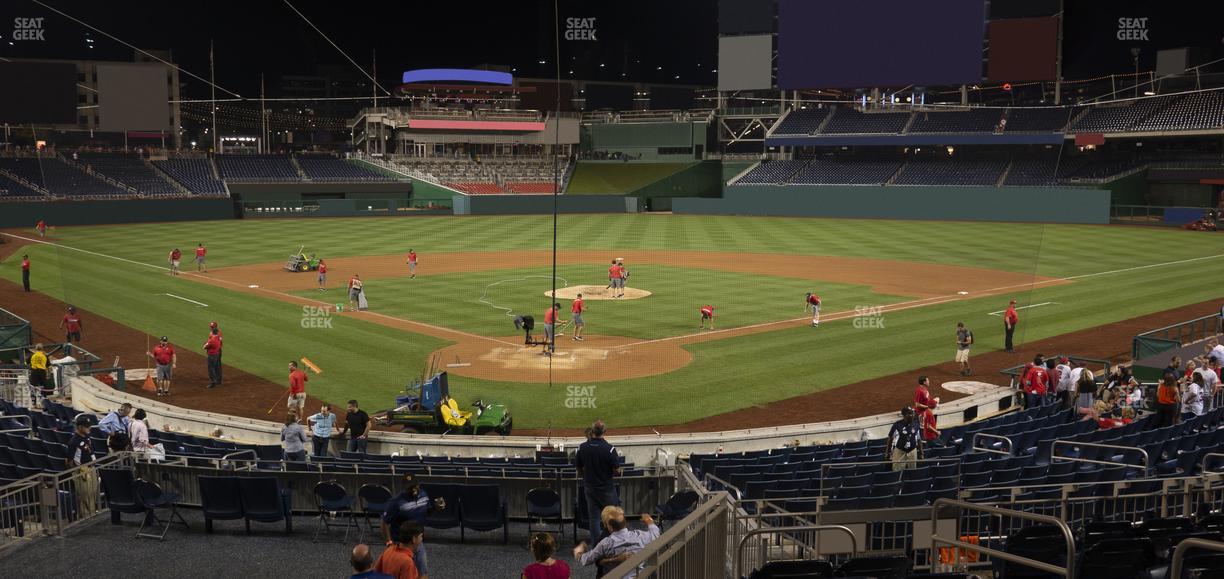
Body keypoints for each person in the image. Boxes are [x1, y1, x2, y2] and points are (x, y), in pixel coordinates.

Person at [382, 474, 443, 579]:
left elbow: (426, 512)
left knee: (423, 573)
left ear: (419, 484)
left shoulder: (424, 495)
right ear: (404, 488)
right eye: (410, 487)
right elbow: (384, 523)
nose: (413, 489)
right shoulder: (396, 502)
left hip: (418, 543)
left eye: (415, 486)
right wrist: (389, 543)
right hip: (401, 544)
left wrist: (435, 508)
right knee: (402, 573)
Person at [573, 507, 660, 579]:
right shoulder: (641, 536)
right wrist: (648, 519)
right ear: (625, 523)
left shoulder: (606, 543)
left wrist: (578, 553)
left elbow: (586, 560)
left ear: (609, 527)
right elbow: (655, 532)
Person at [575, 420, 621, 545]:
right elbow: (616, 470)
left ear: (592, 431)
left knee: (594, 519)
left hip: (589, 488)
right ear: (604, 432)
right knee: (612, 517)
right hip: (606, 489)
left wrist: (584, 478)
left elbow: (578, 468)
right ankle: (613, 544)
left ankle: (596, 547)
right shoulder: (610, 449)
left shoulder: (582, 447)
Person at [66, 416, 98, 516]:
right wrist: (77, 471)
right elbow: (69, 461)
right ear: (80, 427)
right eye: (86, 427)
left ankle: (92, 514)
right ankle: (86, 517)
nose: (89, 428)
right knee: (85, 495)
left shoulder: (87, 436)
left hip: (91, 468)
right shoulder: (74, 441)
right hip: (82, 471)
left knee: (92, 493)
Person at [886, 406, 922, 471]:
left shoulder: (916, 424)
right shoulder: (897, 425)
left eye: (912, 413)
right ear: (904, 415)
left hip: (912, 452)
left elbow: (919, 438)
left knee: (912, 471)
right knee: (897, 471)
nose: (912, 415)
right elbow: (890, 439)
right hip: (900, 452)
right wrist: (887, 453)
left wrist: (921, 452)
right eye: (909, 414)